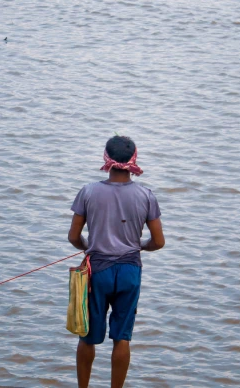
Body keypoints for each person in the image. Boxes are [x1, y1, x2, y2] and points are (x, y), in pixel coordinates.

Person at [67, 135, 165, 388]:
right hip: (130, 270)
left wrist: (90, 248)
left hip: (97, 271)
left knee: (87, 336)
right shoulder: (146, 195)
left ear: (105, 158)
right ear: (134, 159)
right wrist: (138, 247)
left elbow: (74, 236)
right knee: (122, 337)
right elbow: (158, 242)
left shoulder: (88, 191)